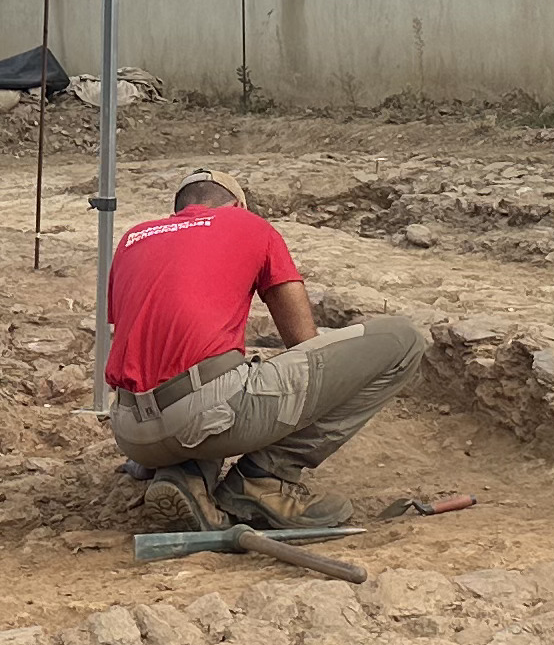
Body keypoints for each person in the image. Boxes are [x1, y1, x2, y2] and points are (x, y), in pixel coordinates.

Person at [102, 172, 425, 532]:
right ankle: (264, 479)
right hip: (204, 418)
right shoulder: (248, 224)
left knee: (215, 373)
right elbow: (305, 346)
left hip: (131, 434)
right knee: (404, 339)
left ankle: (185, 473)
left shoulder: (134, 238)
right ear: (238, 206)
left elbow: (142, 346)